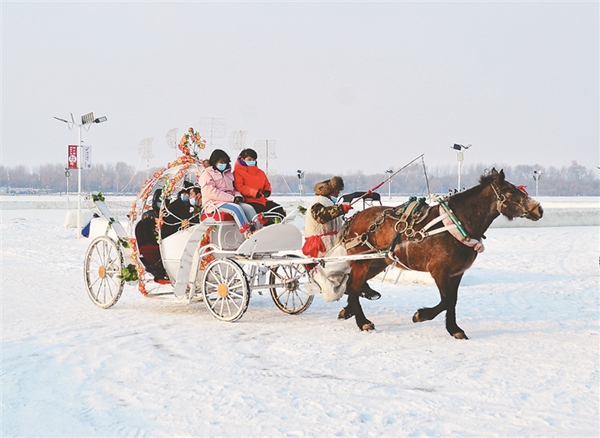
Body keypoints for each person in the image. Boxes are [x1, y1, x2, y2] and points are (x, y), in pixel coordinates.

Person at [303, 176, 381, 301]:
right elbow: (321, 216)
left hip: (332, 242)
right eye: (336, 192)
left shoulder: (329, 203)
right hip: (318, 244)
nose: (338, 194)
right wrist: (340, 209)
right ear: (329, 192)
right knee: (345, 261)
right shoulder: (317, 203)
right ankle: (349, 286)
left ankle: (357, 285)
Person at [199, 149, 257, 235]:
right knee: (236, 209)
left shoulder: (228, 173)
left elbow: (233, 189)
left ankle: (258, 230)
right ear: (214, 162)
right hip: (215, 203)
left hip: (230, 201)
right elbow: (211, 192)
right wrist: (232, 198)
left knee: (249, 208)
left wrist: (238, 196)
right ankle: (247, 232)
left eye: (225, 162)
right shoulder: (207, 174)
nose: (223, 164)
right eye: (221, 162)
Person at [233, 148, 285, 224]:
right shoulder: (237, 172)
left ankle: (280, 226)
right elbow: (239, 187)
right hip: (248, 200)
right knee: (261, 213)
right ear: (242, 159)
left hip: (261, 200)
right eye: (249, 159)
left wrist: (267, 190)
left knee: (278, 209)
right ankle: (264, 227)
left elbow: (267, 184)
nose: (252, 161)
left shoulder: (260, 172)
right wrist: (253, 192)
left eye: (253, 159)